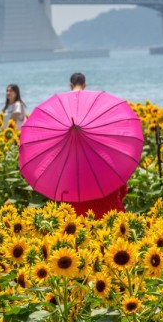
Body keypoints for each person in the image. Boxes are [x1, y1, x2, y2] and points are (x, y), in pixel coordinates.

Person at [65, 71, 128, 218]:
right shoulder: (109, 157)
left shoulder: (69, 165)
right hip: (114, 222)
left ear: (70, 85)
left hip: (79, 222)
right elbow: (123, 190)